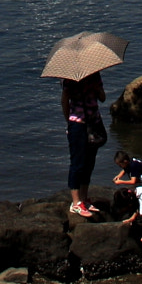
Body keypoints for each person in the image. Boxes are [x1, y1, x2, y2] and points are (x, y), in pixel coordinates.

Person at [61, 73, 105, 219]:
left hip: (94, 122)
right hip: (78, 124)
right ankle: (76, 202)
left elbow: (102, 98)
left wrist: (97, 88)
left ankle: (84, 198)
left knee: (89, 162)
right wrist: (69, 122)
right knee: (77, 163)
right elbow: (65, 101)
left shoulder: (95, 75)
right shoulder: (69, 79)